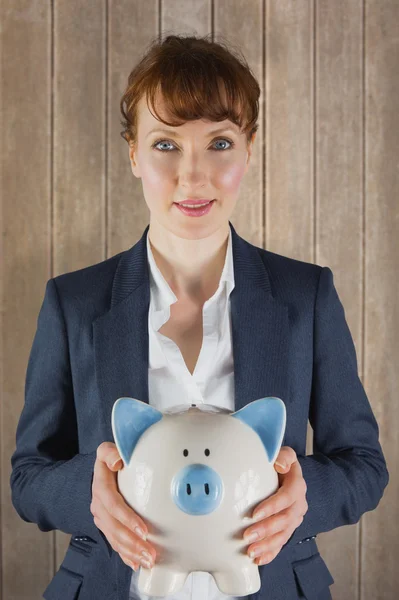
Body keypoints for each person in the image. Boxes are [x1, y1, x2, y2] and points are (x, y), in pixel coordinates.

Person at [10, 34, 388, 600]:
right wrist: (86, 493)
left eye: (219, 143)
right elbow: (29, 476)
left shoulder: (307, 295)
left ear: (249, 149)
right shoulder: (74, 303)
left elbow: (364, 465)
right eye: (166, 145)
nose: (194, 176)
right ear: (134, 152)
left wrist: (304, 490)